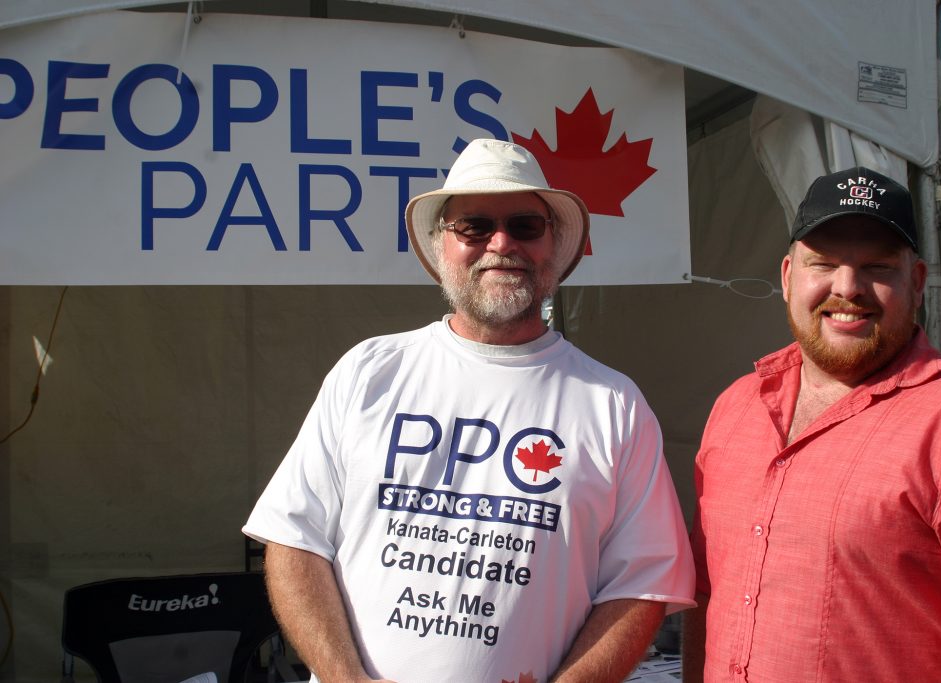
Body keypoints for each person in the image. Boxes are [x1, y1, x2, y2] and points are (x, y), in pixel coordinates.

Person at [244, 139, 695, 683]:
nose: (501, 243)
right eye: (474, 227)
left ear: (551, 244)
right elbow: (296, 541)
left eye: (525, 225)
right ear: (441, 246)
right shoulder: (368, 370)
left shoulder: (613, 404)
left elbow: (640, 587)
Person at [684, 166, 941, 681]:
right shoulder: (737, 406)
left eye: (878, 267)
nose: (848, 288)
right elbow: (707, 591)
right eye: (822, 263)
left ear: (915, 282)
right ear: (786, 277)